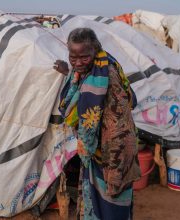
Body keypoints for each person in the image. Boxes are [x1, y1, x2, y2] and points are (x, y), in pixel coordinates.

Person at [53, 28, 140, 220]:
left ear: (95, 49)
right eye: (72, 57)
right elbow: (83, 87)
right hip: (111, 146)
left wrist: (85, 147)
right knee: (103, 196)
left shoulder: (104, 73)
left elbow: (88, 110)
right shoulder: (101, 63)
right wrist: (68, 71)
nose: (77, 63)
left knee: (111, 197)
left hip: (113, 149)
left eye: (84, 57)